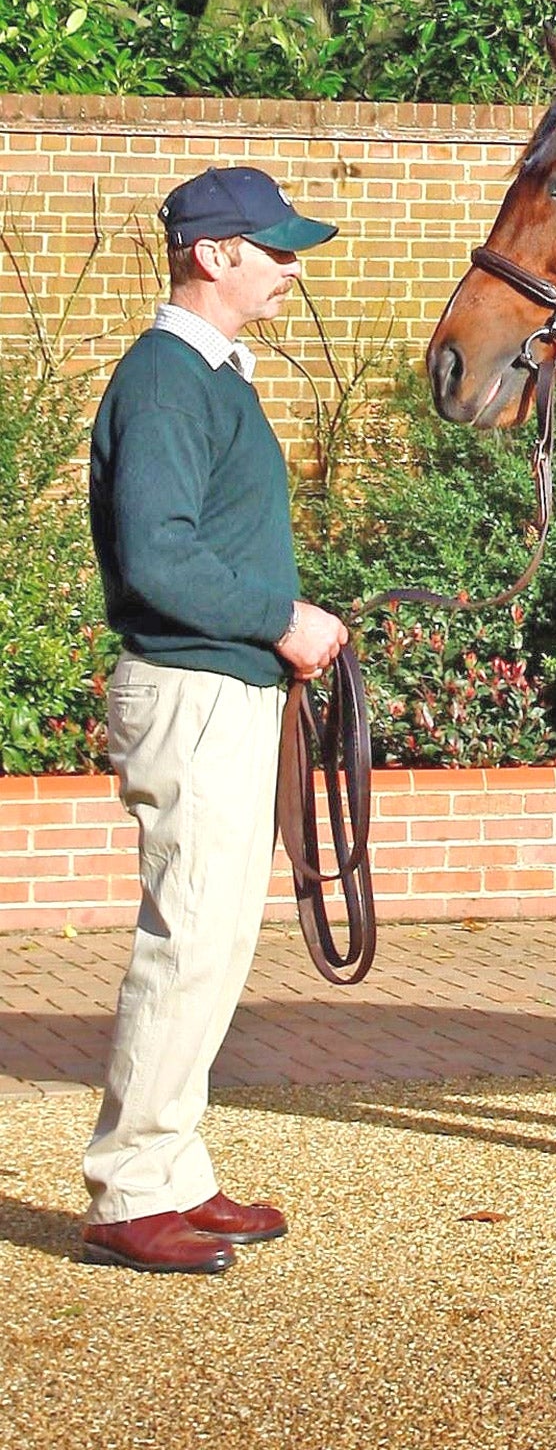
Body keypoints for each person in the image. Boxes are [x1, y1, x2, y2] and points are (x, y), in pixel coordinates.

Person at [80, 167, 349, 1274]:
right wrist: (280, 618)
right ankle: (129, 1192)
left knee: (217, 941)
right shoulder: (165, 383)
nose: (293, 268)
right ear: (214, 254)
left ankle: (172, 1171)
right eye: (274, 249)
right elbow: (159, 558)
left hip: (221, 690)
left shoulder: (210, 379)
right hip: (192, 691)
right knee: (187, 940)